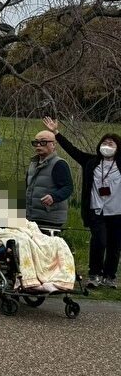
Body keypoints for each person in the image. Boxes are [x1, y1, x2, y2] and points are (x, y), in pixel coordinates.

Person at [44, 117, 121, 289]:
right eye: (105, 142)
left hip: (117, 212)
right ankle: (94, 274)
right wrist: (56, 133)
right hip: (96, 211)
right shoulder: (91, 162)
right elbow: (73, 150)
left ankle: (109, 276)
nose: (107, 146)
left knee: (115, 245)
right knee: (99, 241)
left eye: (112, 143)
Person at [0, 194, 76, 294]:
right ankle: (31, 282)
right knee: (23, 242)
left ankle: (60, 280)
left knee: (58, 241)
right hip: (6, 237)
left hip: (27, 234)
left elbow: (28, 224)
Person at [24, 128, 74, 232]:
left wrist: (53, 197)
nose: (38, 145)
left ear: (53, 145)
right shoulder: (32, 164)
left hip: (50, 219)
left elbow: (68, 188)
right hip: (31, 218)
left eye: (43, 142)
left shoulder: (59, 164)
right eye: (36, 142)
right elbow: (27, 188)